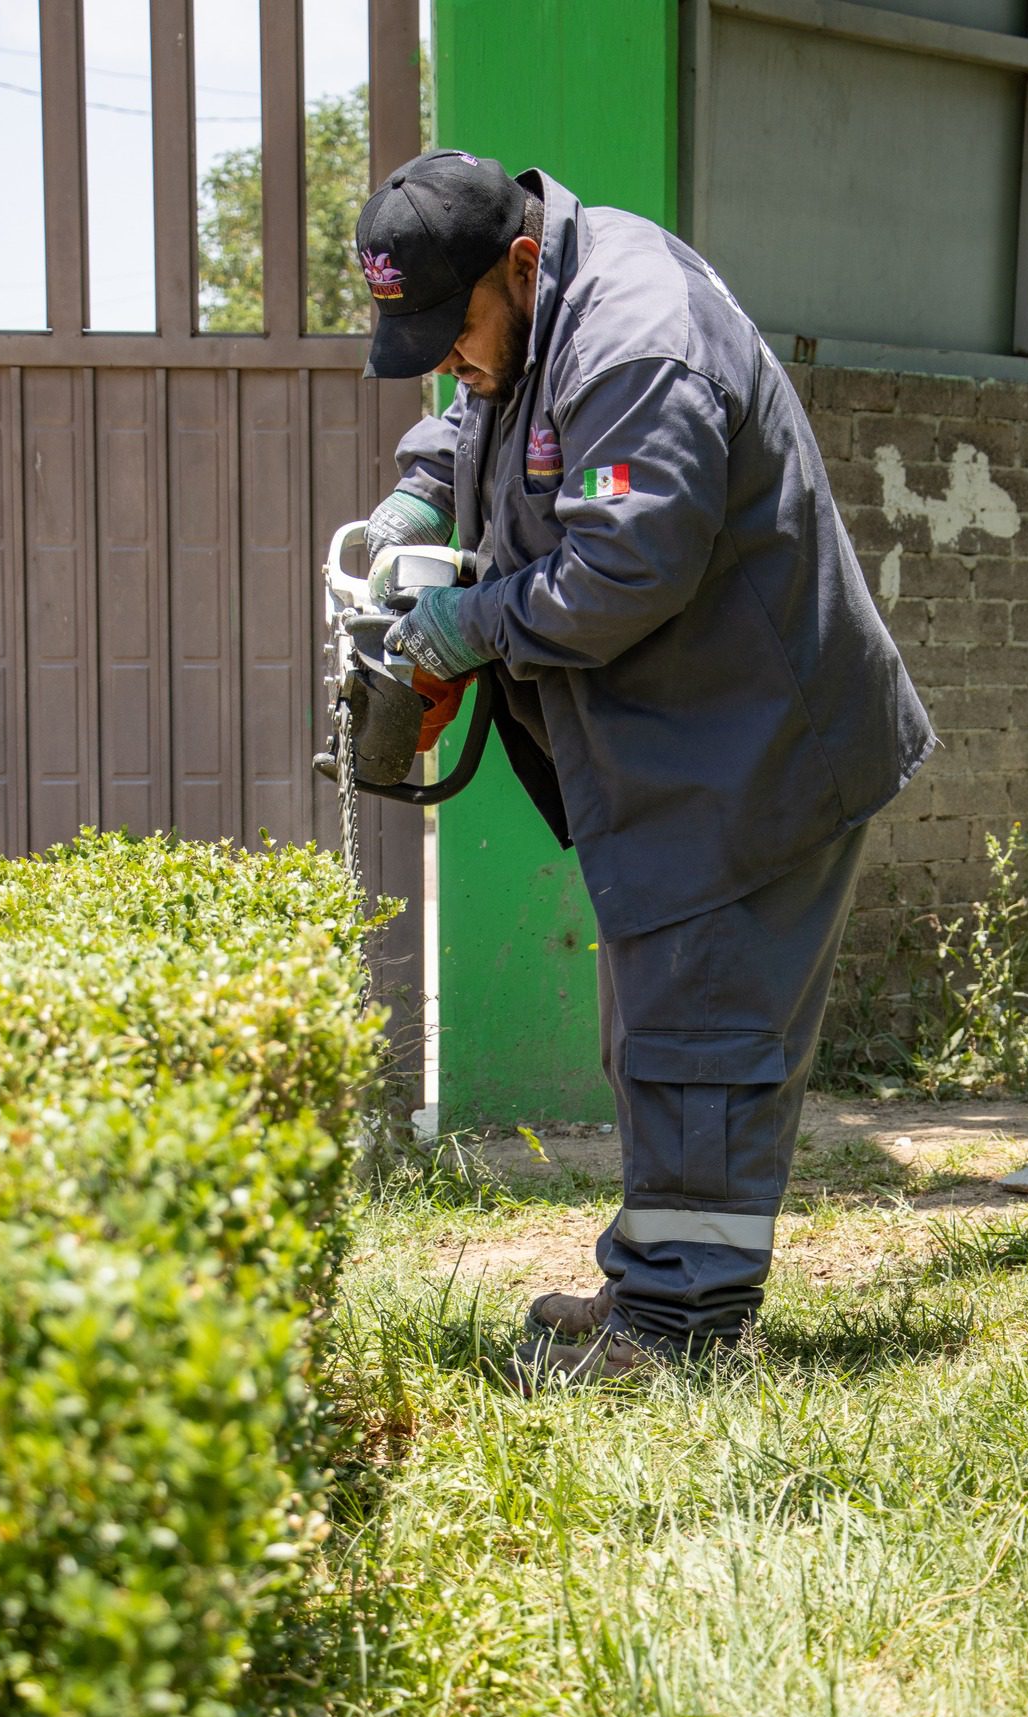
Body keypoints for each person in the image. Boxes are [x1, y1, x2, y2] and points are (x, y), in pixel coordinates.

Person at [354, 150, 935, 1390]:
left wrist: (475, 624)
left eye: (450, 332)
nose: (446, 362)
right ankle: (655, 1281)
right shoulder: (536, 300)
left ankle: (677, 1337)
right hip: (695, 738)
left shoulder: (635, 341)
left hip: (756, 745)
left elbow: (626, 569)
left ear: (516, 265)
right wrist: (419, 498)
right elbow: (480, 411)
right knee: (660, 1033)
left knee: (701, 1039)